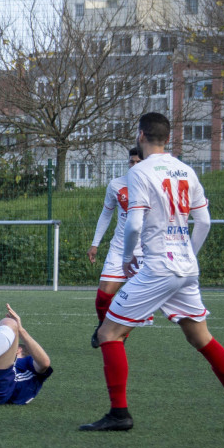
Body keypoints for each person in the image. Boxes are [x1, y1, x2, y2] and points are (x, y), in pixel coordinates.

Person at [81, 112, 224, 432]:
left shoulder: (140, 172)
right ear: (169, 138)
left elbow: (134, 223)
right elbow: (203, 222)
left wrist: (125, 259)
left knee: (109, 333)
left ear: (140, 135)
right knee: (200, 337)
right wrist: (188, 253)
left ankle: (119, 414)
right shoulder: (187, 170)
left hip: (158, 267)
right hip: (186, 267)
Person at [86, 147, 144, 348]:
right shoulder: (116, 185)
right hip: (119, 250)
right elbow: (106, 214)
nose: (134, 166)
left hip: (145, 254)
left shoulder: (154, 185)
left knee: (138, 302)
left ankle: (120, 333)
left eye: (138, 162)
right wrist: (95, 244)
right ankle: (103, 325)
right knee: (103, 297)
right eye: (132, 162)